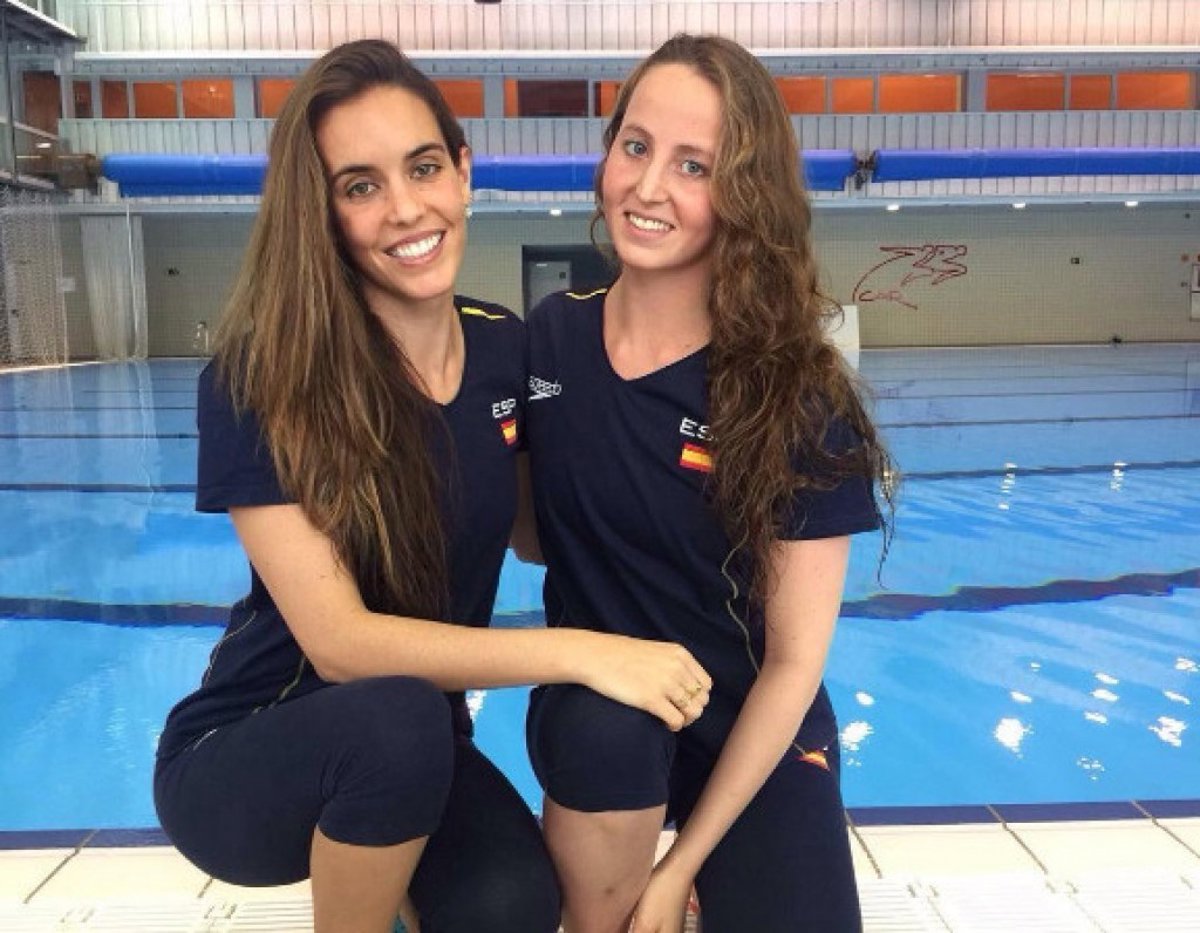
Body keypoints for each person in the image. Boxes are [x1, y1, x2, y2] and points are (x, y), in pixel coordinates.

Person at [153, 39, 712, 933]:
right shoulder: (265, 376)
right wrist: (585, 651)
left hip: (420, 747)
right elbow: (340, 646)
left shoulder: (502, 348)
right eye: (360, 186)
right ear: (322, 212)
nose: (406, 208)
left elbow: (540, 531)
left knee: (511, 903)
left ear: (463, 171)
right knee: (398, 719)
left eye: (422, 168)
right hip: (247, 750)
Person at [524, 34, 895, 933]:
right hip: (607, 718)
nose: (648, 187)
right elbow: (530, 531)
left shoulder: (791, 391)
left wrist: (681, 866)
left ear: (743, 194)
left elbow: (794, 664)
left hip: (752, 724)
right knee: (605, 735)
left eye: (694, 165)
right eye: (636, 146)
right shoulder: (550, 340)